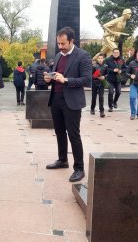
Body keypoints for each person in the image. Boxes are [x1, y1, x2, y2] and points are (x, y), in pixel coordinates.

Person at [44, 27, 91, 182]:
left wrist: (66, 80)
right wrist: (49, 78)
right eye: (59, 43)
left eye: (63, 43)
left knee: (73, 134)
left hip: (72, 101)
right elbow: (56, 74)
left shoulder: (83, 56)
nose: (61, 47)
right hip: (56, 98)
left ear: (72, 41)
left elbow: (86, 80)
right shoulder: (58, 56)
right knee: (59, 132)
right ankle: (62, 160)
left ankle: (79, 168)